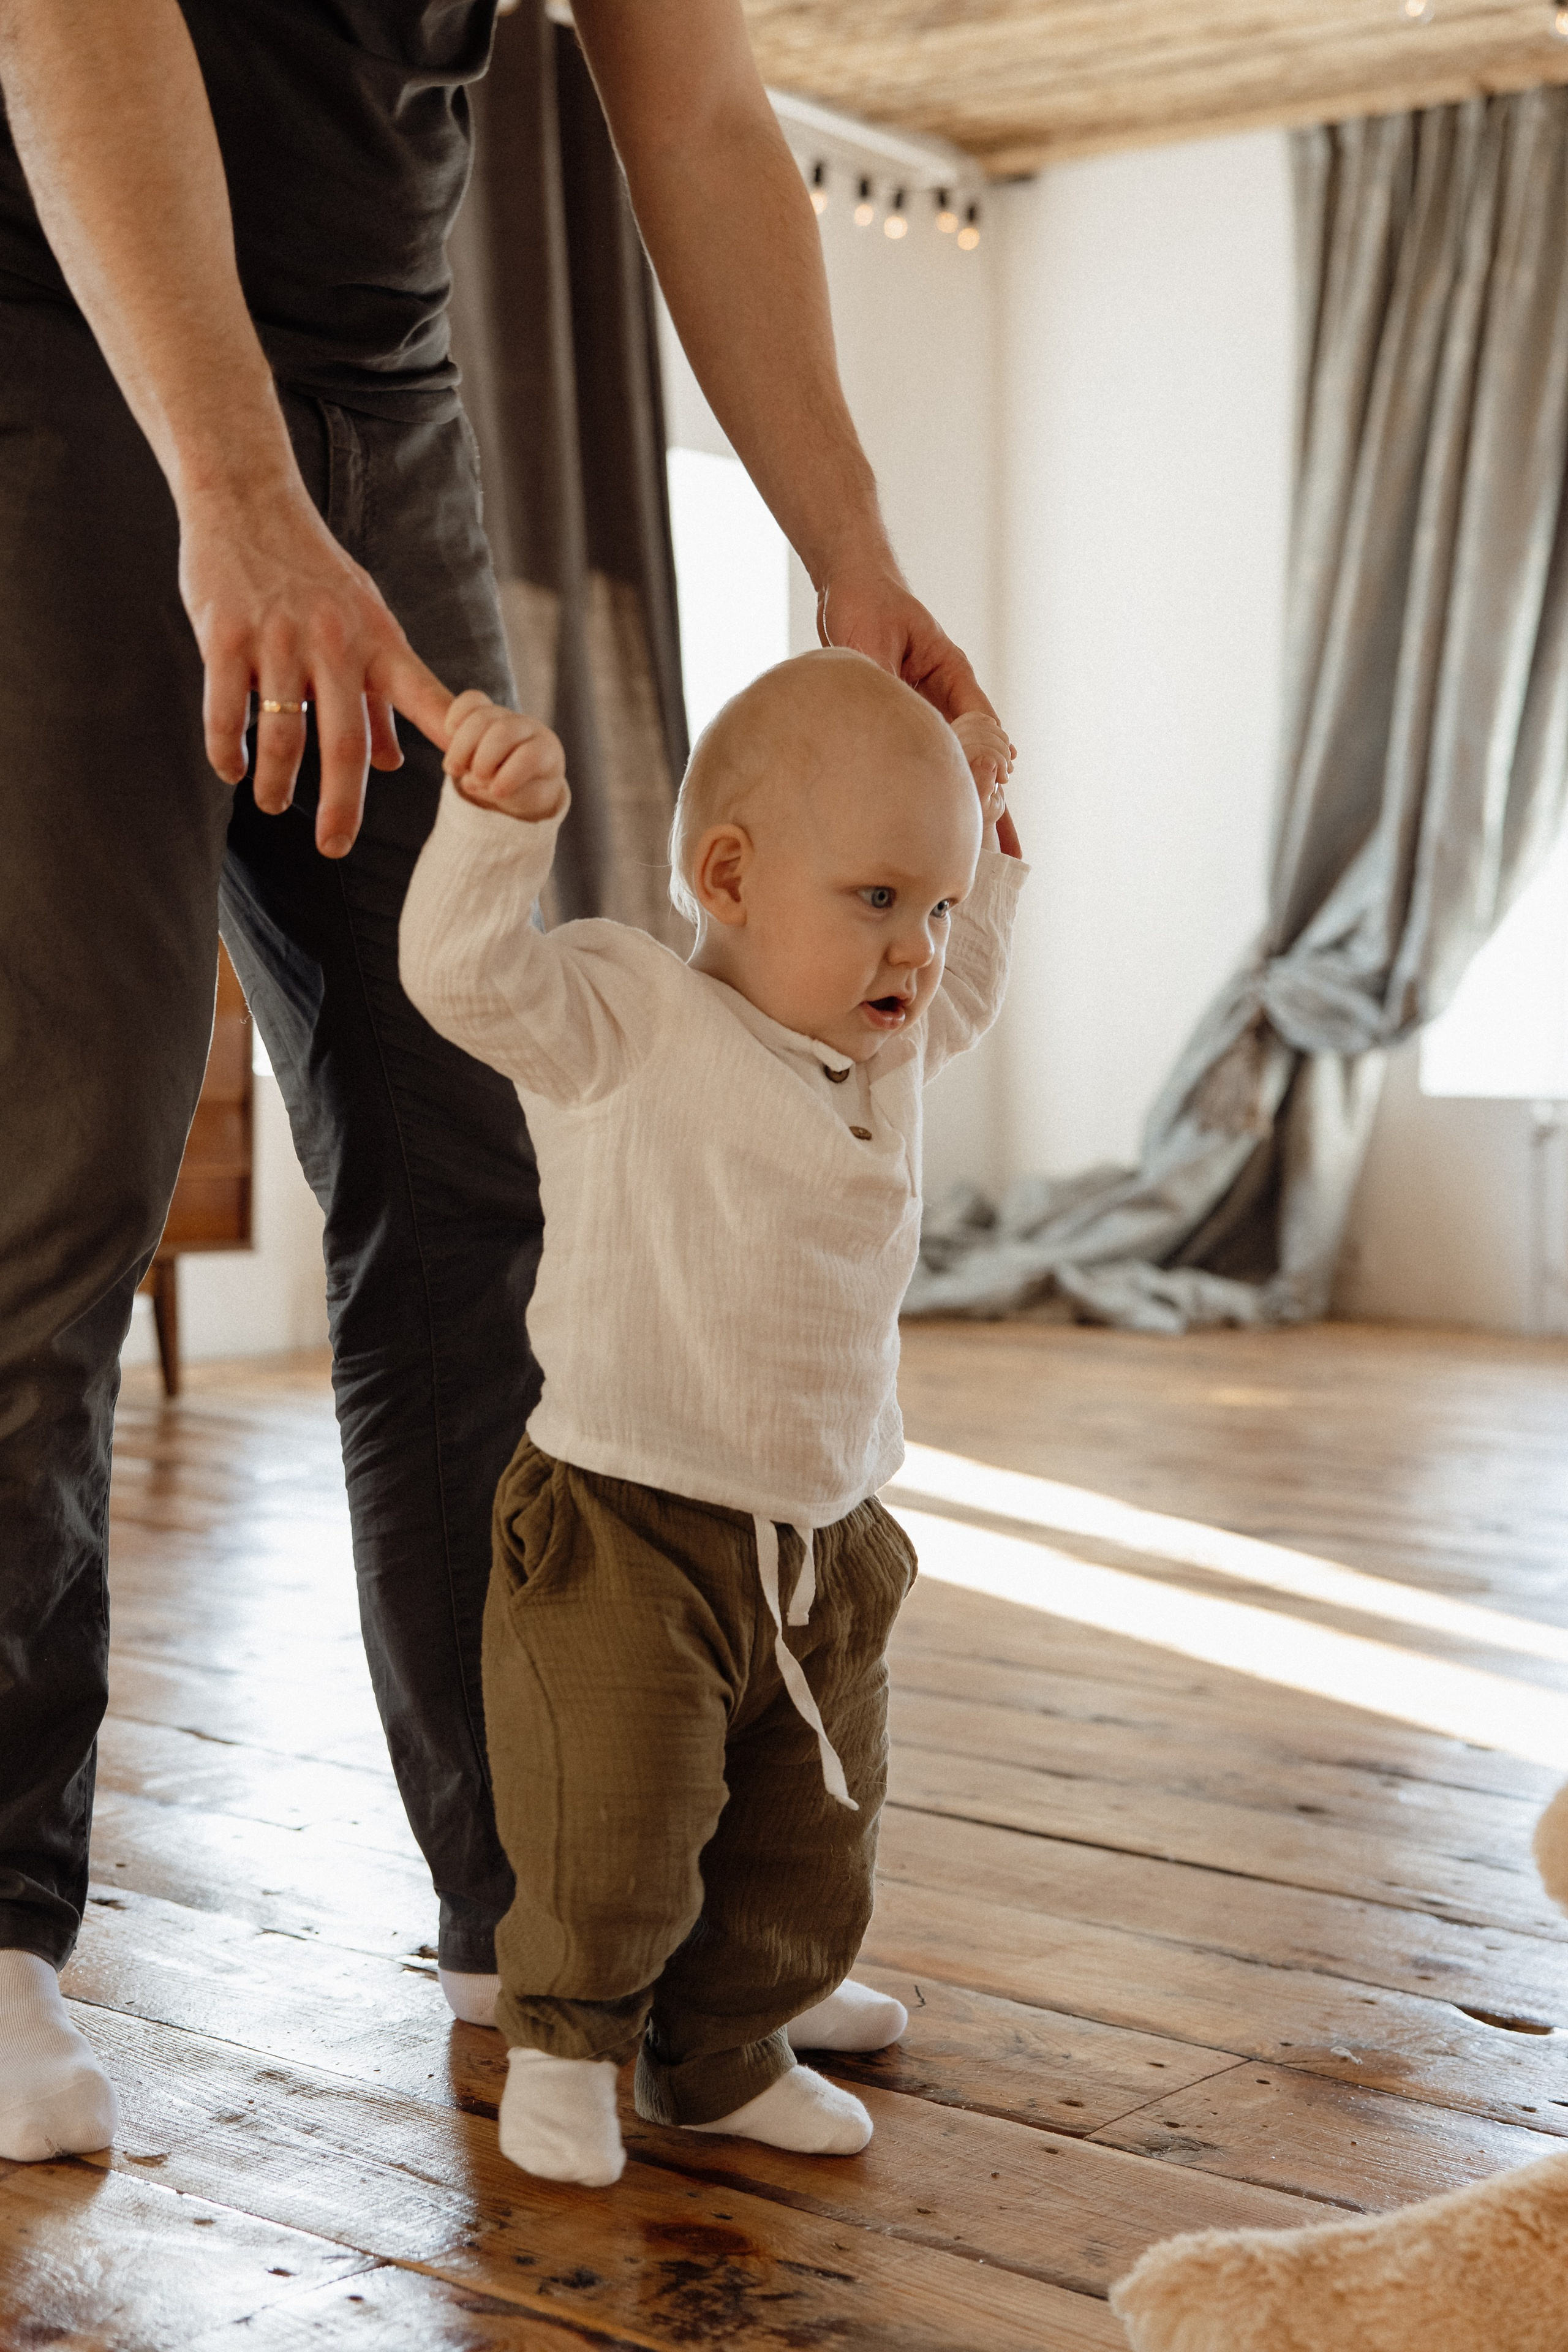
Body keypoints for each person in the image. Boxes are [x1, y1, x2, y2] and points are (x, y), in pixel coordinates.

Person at [0, 0, 1006, 2164]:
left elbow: (709, 109)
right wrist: (235, 488)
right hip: (64, 351)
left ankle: (548, 1904)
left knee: (483, 1181)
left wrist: (849, 548)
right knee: (52, 1158)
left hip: (382, 386)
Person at [396, 650, 1024, 2185]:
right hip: (625, 1520)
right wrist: (491, 832)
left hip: (823, 1530)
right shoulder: (627, 1019)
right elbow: (463, 980)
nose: (920, 952)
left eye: (932, 913)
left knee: (806, 1831)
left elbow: (975, 982)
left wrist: (985, 830)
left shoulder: (886, 1046)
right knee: (613, 1820)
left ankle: (734, 2040)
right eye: (880, 900)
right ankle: (568, 2034)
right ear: (727, 875)